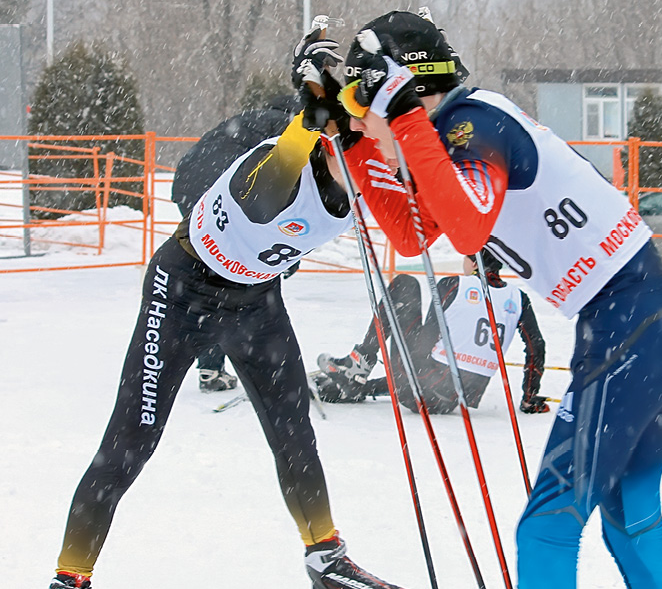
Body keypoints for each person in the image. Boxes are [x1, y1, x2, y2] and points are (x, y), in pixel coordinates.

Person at [295, 10, 662, 588]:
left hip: (629, 329)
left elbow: (468, 229)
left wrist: (401, 118)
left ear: (408, 90)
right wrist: (349, 140)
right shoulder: (454, 130)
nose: (371, 129)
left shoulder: (471, 126)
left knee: (546, 528)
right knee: (630, 525)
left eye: (367, 109)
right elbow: (413, 232)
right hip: (631, 325)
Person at [48, 92, 407, 588]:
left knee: (294, 434)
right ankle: (70, 578)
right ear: (344, 140)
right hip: (182, 291)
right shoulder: (281, 166)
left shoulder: (367, 176)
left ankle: (326, 558)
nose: (392, 155)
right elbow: (277, 174)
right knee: (130, 442)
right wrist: (308, 119)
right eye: (383, 141)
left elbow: (420, 224)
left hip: (254, 302)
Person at [314, 249, 549, 414]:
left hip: (419, 390)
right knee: (438, 366)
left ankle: (359, 364)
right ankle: (358, 384)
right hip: (451, 400)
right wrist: (529, 398)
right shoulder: (519, 298)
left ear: (474, 263)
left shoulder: (455, 285)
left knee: (405, 284)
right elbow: (536, 346)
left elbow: (422, 348)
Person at [171, 95, 299, 392]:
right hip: (219, 189)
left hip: (187, 186)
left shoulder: (250, 119)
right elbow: (286, 187)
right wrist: (288, 255)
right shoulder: (288, 128)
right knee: (237, 280)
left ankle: (210, 366)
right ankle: (261, 366)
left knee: (210, 276)